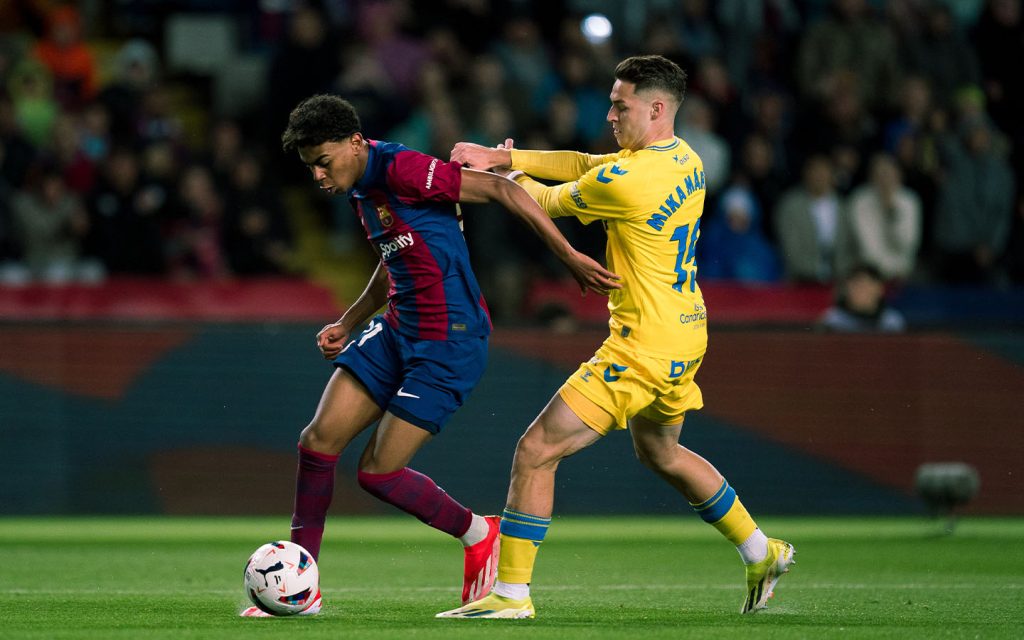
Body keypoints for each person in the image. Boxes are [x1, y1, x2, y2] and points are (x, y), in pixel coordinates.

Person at [438, 55, 794, 620]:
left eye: (619, 105)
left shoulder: (628, 180)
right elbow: (587, 162)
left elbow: (549, 202)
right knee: (662, 451)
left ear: (656, 108)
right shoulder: (685, 158)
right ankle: (761, 550)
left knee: (535, 451)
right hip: (686, 333)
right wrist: (505, 156)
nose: (609, 114)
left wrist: (501, 175)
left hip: (641, 345)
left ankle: (510, 596)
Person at [240, 94, 619, 617]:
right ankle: (303, 589)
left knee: (377, 473)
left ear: (354, 144)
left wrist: (569, 255)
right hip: (397, 329)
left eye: (323, 163)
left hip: (449, 341)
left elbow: (504, 190)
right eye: (310, 168)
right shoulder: (361, 186)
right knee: (317, 443)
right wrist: (348, 323)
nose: (319, 177)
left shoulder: (403, 169)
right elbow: (393, 256)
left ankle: (479, 532)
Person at [818, 263, 906, 333]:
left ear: (880, 289)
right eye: (856, 286)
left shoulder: (891, 322)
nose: (862, 291)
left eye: (867, 286)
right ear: (846, 289)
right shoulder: (833, 320)